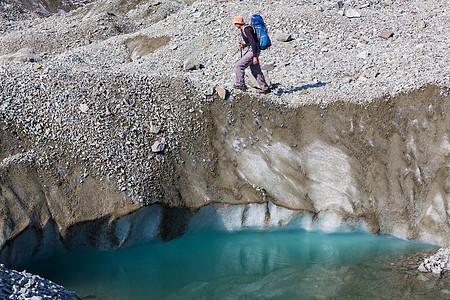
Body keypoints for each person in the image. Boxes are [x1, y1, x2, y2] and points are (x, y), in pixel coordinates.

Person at [233, 16, 271, 94]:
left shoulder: (246, 29)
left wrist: (254, 56)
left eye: (235, 23)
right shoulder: (246, 28)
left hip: (253, 51)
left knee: (239, 66)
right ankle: (265, 88)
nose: (235, 25)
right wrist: (244, 45)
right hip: (255, 50)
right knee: (255, 70)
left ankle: (240, 85)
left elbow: (253, 43)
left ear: (239, 23)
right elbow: (251, 42)